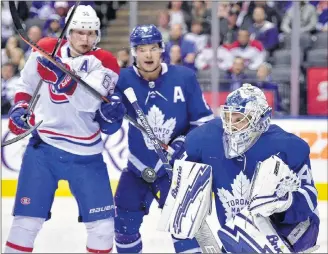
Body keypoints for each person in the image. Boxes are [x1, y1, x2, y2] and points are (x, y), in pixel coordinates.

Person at [5, 5, 126, 253]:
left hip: (86, 154)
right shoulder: (46, 48)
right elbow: (26, 84)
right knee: (25, 225)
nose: (85, 39)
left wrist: (62, 77)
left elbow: (88, 102)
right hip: (43, 149)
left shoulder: (105, 61)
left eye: (91, 33)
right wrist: (19, 109)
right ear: (68, 32)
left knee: (103, 229)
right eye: (80, 32)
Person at [172, 83, 319, 253]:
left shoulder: (286, 146)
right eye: (228, 118)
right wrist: (179, 163)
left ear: (259, 119)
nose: (230, 126)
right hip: (237, 236)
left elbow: (310, 198)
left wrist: (286, 202)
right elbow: (183, 189)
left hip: (286, 234)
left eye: (239, 119)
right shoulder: (207, 139)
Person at [110, 24, 214, 253]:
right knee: (123, 227)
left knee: (185, 231)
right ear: (134, 52)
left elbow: (205, 122)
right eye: (142, 49)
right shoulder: (122, 79)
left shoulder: (184, 77)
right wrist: (108, 111)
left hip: (176, 170)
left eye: (153, 48)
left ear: (162, 49)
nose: (148, 54)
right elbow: (108, 121)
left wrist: (184, 143)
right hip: (138, 168)